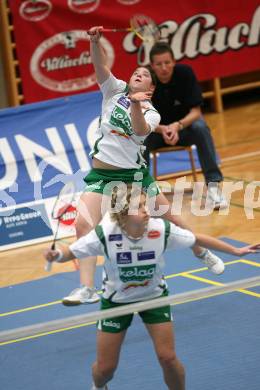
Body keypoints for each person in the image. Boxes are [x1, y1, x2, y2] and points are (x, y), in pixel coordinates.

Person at [61, 26, 225, 306]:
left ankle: (202, 253)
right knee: (83, 224)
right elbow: (99, 64)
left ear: (150, 88)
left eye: (145, 74)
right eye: (136, 71)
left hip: (135, 177)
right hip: (102, 175)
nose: (139, 73)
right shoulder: (113, 91)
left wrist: (137, 104)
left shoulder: (151, 112)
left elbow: (138, 131)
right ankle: (86, 288)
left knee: (172, 219)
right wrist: (95, 40)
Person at [44, 186, 259, 390]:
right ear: (123, 213)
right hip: (116, 302)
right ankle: (100, 385)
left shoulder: (160, 229)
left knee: (168, 358)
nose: (147, 211)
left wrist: (236, 251)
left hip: (154, 297)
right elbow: (72, 251)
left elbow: (197, 238)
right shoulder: (105, 233)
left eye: (147, 205)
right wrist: (57, 255)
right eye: (140, 207)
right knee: (105, 368)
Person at [144, 41, 227, 209]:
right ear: (152, 66)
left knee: (201, 128)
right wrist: (162, 129)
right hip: (156, 132)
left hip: (183, 130)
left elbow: (196, 112)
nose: (164, 68)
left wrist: (177, 126)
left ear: (174, 61)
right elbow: (141, 117)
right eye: (159, 64)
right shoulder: (145, 80)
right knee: (138, 137)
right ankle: (142, 193)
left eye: (167, 63)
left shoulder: (185, 73)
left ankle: (213, 187)